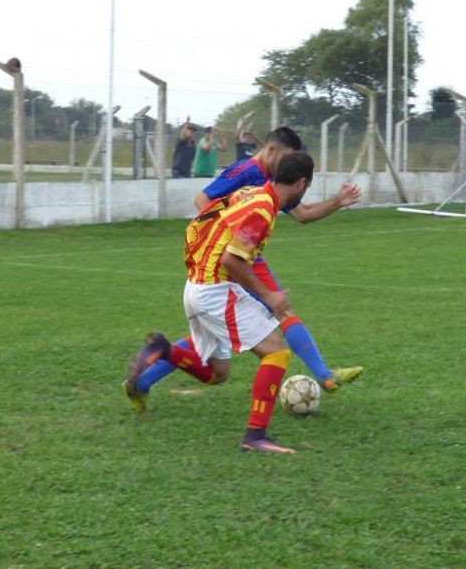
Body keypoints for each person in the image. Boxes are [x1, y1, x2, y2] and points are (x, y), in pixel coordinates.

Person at [124, 126, 362, 412]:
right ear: (271, 150)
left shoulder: (276, 181)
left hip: (238, 256)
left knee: (211, 336)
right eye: (286, 157)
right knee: (279, 312)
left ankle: (142, 382)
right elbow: (202, 200)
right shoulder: (246, 171)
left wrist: (338, 201)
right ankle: (324, 378)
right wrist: (222, 237)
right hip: (232, 259)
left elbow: (303, 214)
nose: (286, 165)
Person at [127, 151, 318, 454]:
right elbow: (232, 260)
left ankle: (165, 350)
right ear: (301, 184)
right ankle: (255, 436)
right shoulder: (264, 210)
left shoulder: (252, 193)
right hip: (215, 289)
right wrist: (269, 295)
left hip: (196, 285)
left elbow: (211, 218)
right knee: (277, 352)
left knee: (218, 374)